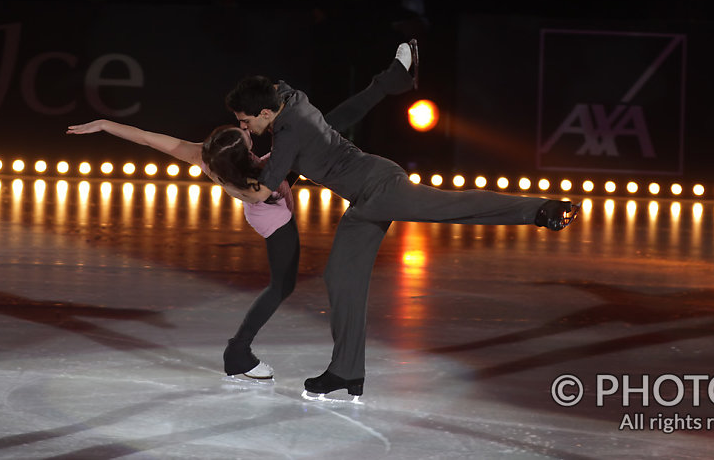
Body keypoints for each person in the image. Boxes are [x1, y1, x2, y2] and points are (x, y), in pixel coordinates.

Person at [216, 42, 577, 403]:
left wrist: (221, 178)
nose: (243, 126)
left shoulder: (288, 131)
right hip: (364, 203)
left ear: (265, 112)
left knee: (451, 205)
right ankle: (346, 371)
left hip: (380, 186)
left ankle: (540, 210)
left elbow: (262, 193)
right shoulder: (287, 96)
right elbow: (298, 100)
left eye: (245, 121)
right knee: (341, 276)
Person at [66, 43, 418, 382]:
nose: (248, 130)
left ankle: (390, 80)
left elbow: (145, 137)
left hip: (269, 180)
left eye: (243, 126)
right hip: (271, 213)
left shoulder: (202, 153)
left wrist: (104, 124)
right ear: (242, 156)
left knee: (326, 124)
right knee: (283, 286)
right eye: (246, 134)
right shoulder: (251, 189)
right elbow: (267, 190)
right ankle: (237, 353)